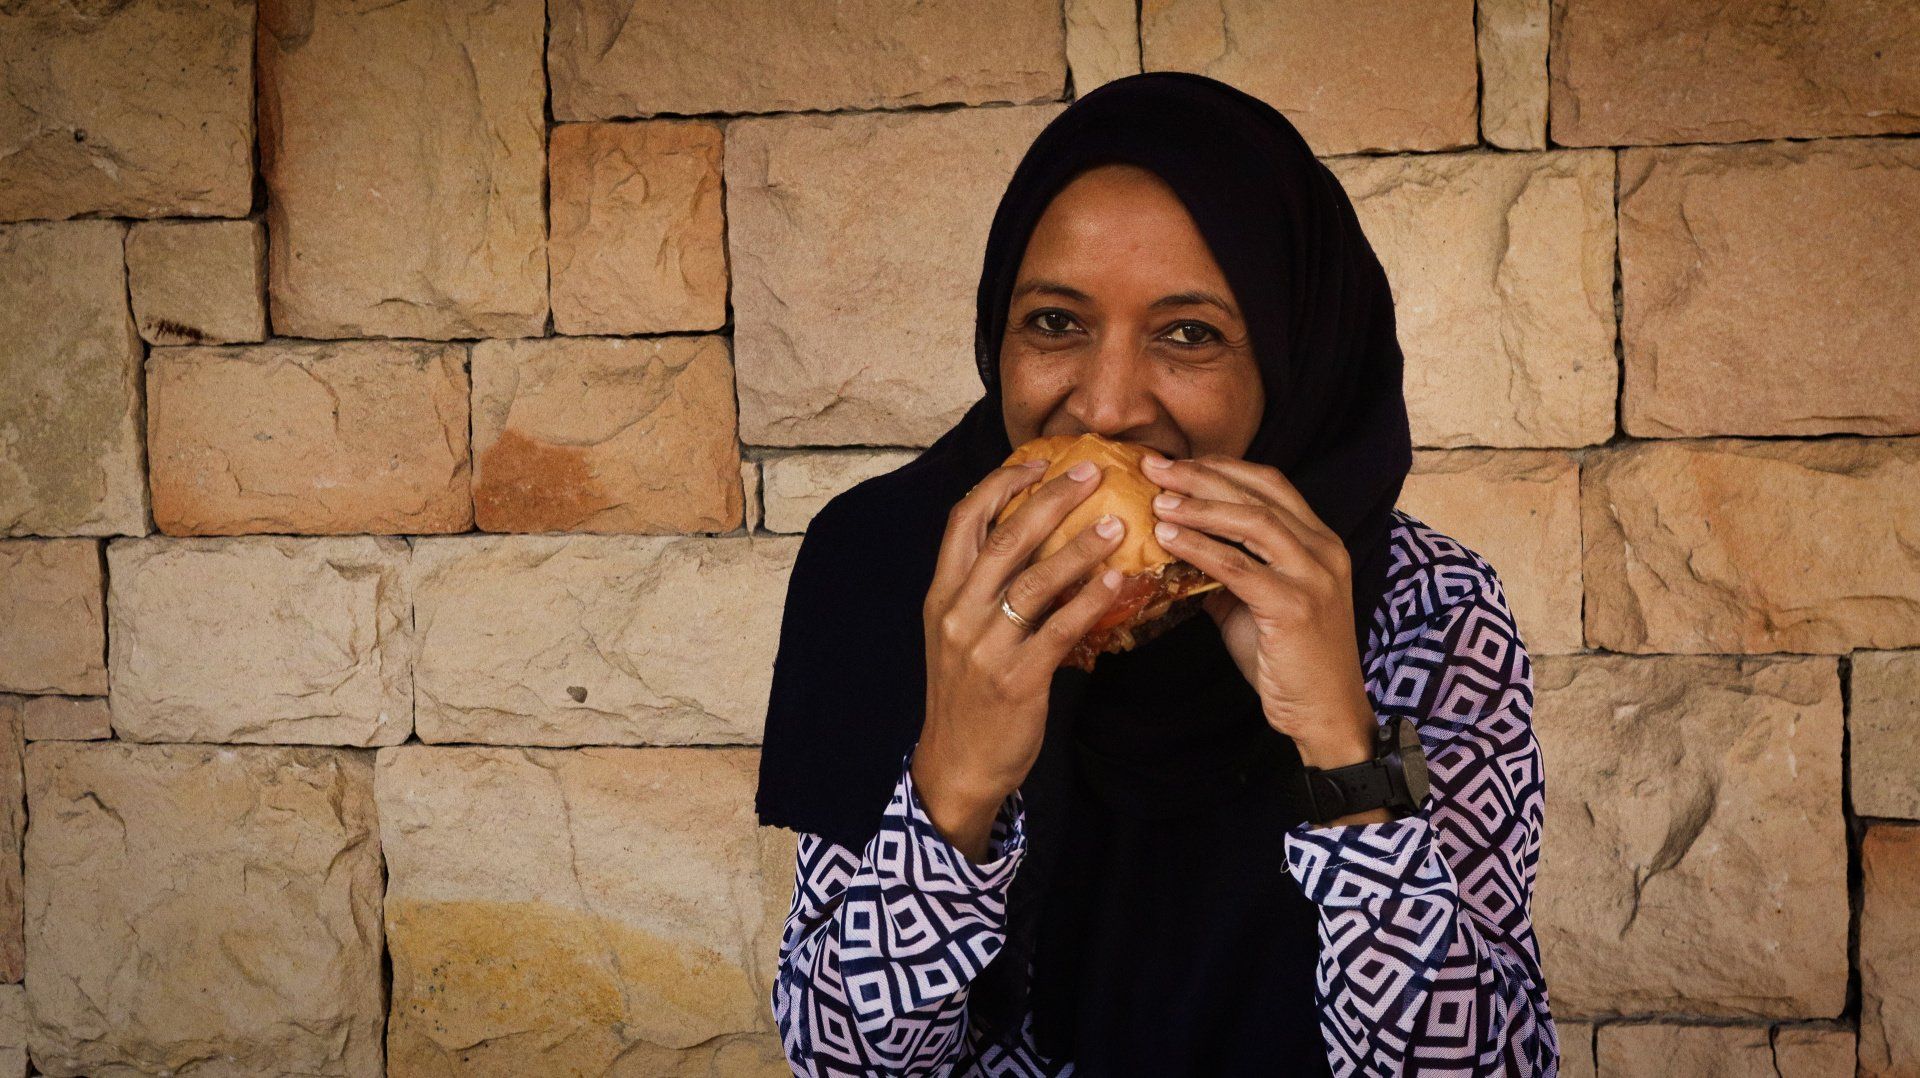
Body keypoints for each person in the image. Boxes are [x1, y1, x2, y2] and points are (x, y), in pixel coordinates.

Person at [755, 71, 1559, 1077]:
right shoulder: (903, 572)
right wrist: (953, 782)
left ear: (1292, 356)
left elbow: (1486, 1067)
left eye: (1190, 334)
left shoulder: (1427, 607)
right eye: (1055, 321)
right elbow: (842, 1062)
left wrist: (1344, 751)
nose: (1109, 405)